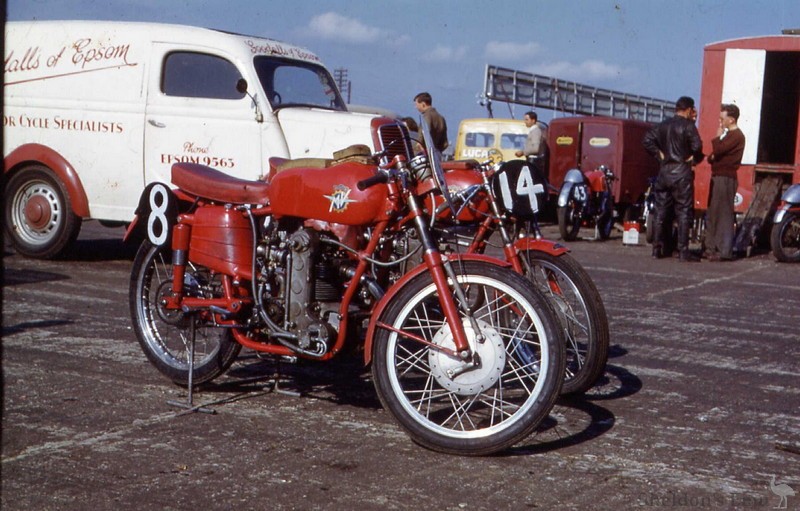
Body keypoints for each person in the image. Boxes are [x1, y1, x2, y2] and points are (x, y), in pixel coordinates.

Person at [642, 96, 704, 262]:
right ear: (688, 109)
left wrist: (659, 154)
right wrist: (693, 158)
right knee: (683, 211)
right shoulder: (689, 126)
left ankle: (657, 249)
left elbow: (647, 140)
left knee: (661, 211)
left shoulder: (663, 125)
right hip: (682, 173)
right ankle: (683, 251)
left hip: (664, 172)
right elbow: (698, 146)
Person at [705, 103, 745, 261]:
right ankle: (712, 247)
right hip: (719, 176)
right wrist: (716, 153)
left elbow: (718, 151)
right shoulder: (728, 136)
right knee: (714, 211)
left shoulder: (737, 136)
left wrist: (716, 138)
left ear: (731, 119)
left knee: (723, 214)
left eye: (723, 118)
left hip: (726, 178)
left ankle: (724, 250)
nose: (720, 121)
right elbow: (712, 157)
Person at [515, 111, 549, 181]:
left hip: (534, 161)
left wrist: (523, 152)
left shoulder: (535, 131)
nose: (525, 122)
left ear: (533, 120)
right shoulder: (534, 131)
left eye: (527, 120)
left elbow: (535, 148)